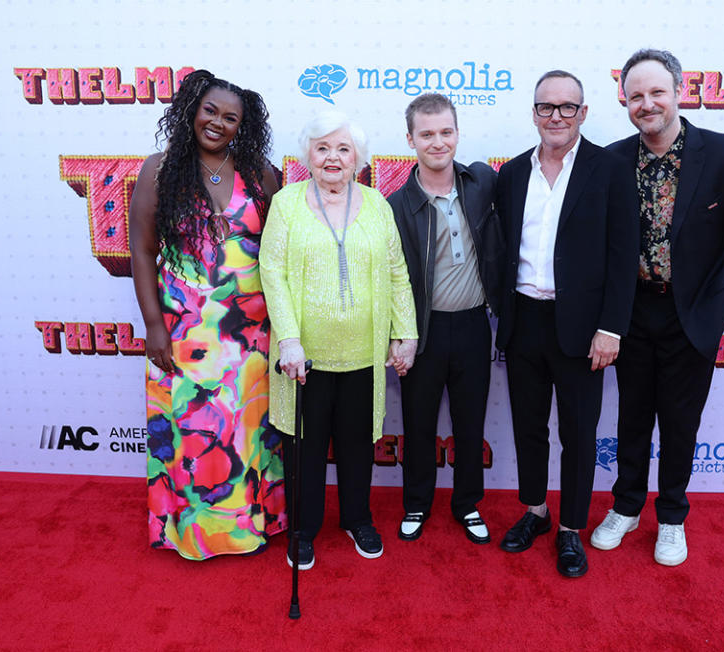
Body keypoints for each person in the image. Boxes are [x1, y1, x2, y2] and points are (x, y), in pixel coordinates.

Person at [591, 49, 724, 566]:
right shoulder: (612, 160)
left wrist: (720, 303)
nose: (646, 104)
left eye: (656, 93)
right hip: (631, 314)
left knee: (680, 422)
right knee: (631, 419)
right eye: (636, 96)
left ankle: (671, 517)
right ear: (625, 100)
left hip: (691, 317)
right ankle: (625, 508)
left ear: (679, 92)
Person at [129, 70, 283, 560]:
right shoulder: (160, 169)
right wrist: (154, 326)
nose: (217, 122)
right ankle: (191, 533)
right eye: (210, 110)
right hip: (183, 333)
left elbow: (280, 256)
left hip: (249, 334)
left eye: (230, 117)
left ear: (244, 125)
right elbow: (141, 249)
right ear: (191, 110)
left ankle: (248, 527)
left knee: (246, 431)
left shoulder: (262, 175)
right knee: (192, 435)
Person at [495, 71, 639, 577]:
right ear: (533, 113)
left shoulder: (612, 169)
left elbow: (625, 257)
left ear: (584, 112)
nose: (556, 116)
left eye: (567, 107)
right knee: (529, 428)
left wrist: (612, 328)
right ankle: (535, 511)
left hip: (584, 329)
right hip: (523, 320)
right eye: (546, 107)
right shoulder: (512, 174)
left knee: (578, 433)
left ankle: (572, 528)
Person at [260, 111, 417, 570]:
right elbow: (272, 274)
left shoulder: (377, 204)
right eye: (323, 147)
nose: (333, 157)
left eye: (343, 149)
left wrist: (403, 332)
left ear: (358, 159)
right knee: (304, 445)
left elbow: (396, 272)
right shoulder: (287, 204)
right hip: (302, 357)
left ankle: (357, 518)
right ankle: (303, 528)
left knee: (356, 442)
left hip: (363, 354)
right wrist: (288, 339)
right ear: (308, 153)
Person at [387, 94, 503, 545]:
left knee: (470, 422)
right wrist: (401, 335)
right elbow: (393, 278)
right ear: (411, 139)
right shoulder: (397, 204)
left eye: (446, 132)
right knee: (418, 423)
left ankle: (467, 503)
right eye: (428, 134)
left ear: (457, 133)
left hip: (474, 326)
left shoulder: (483, 183)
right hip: (424, 331)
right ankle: (416, 503)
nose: (438, 142)